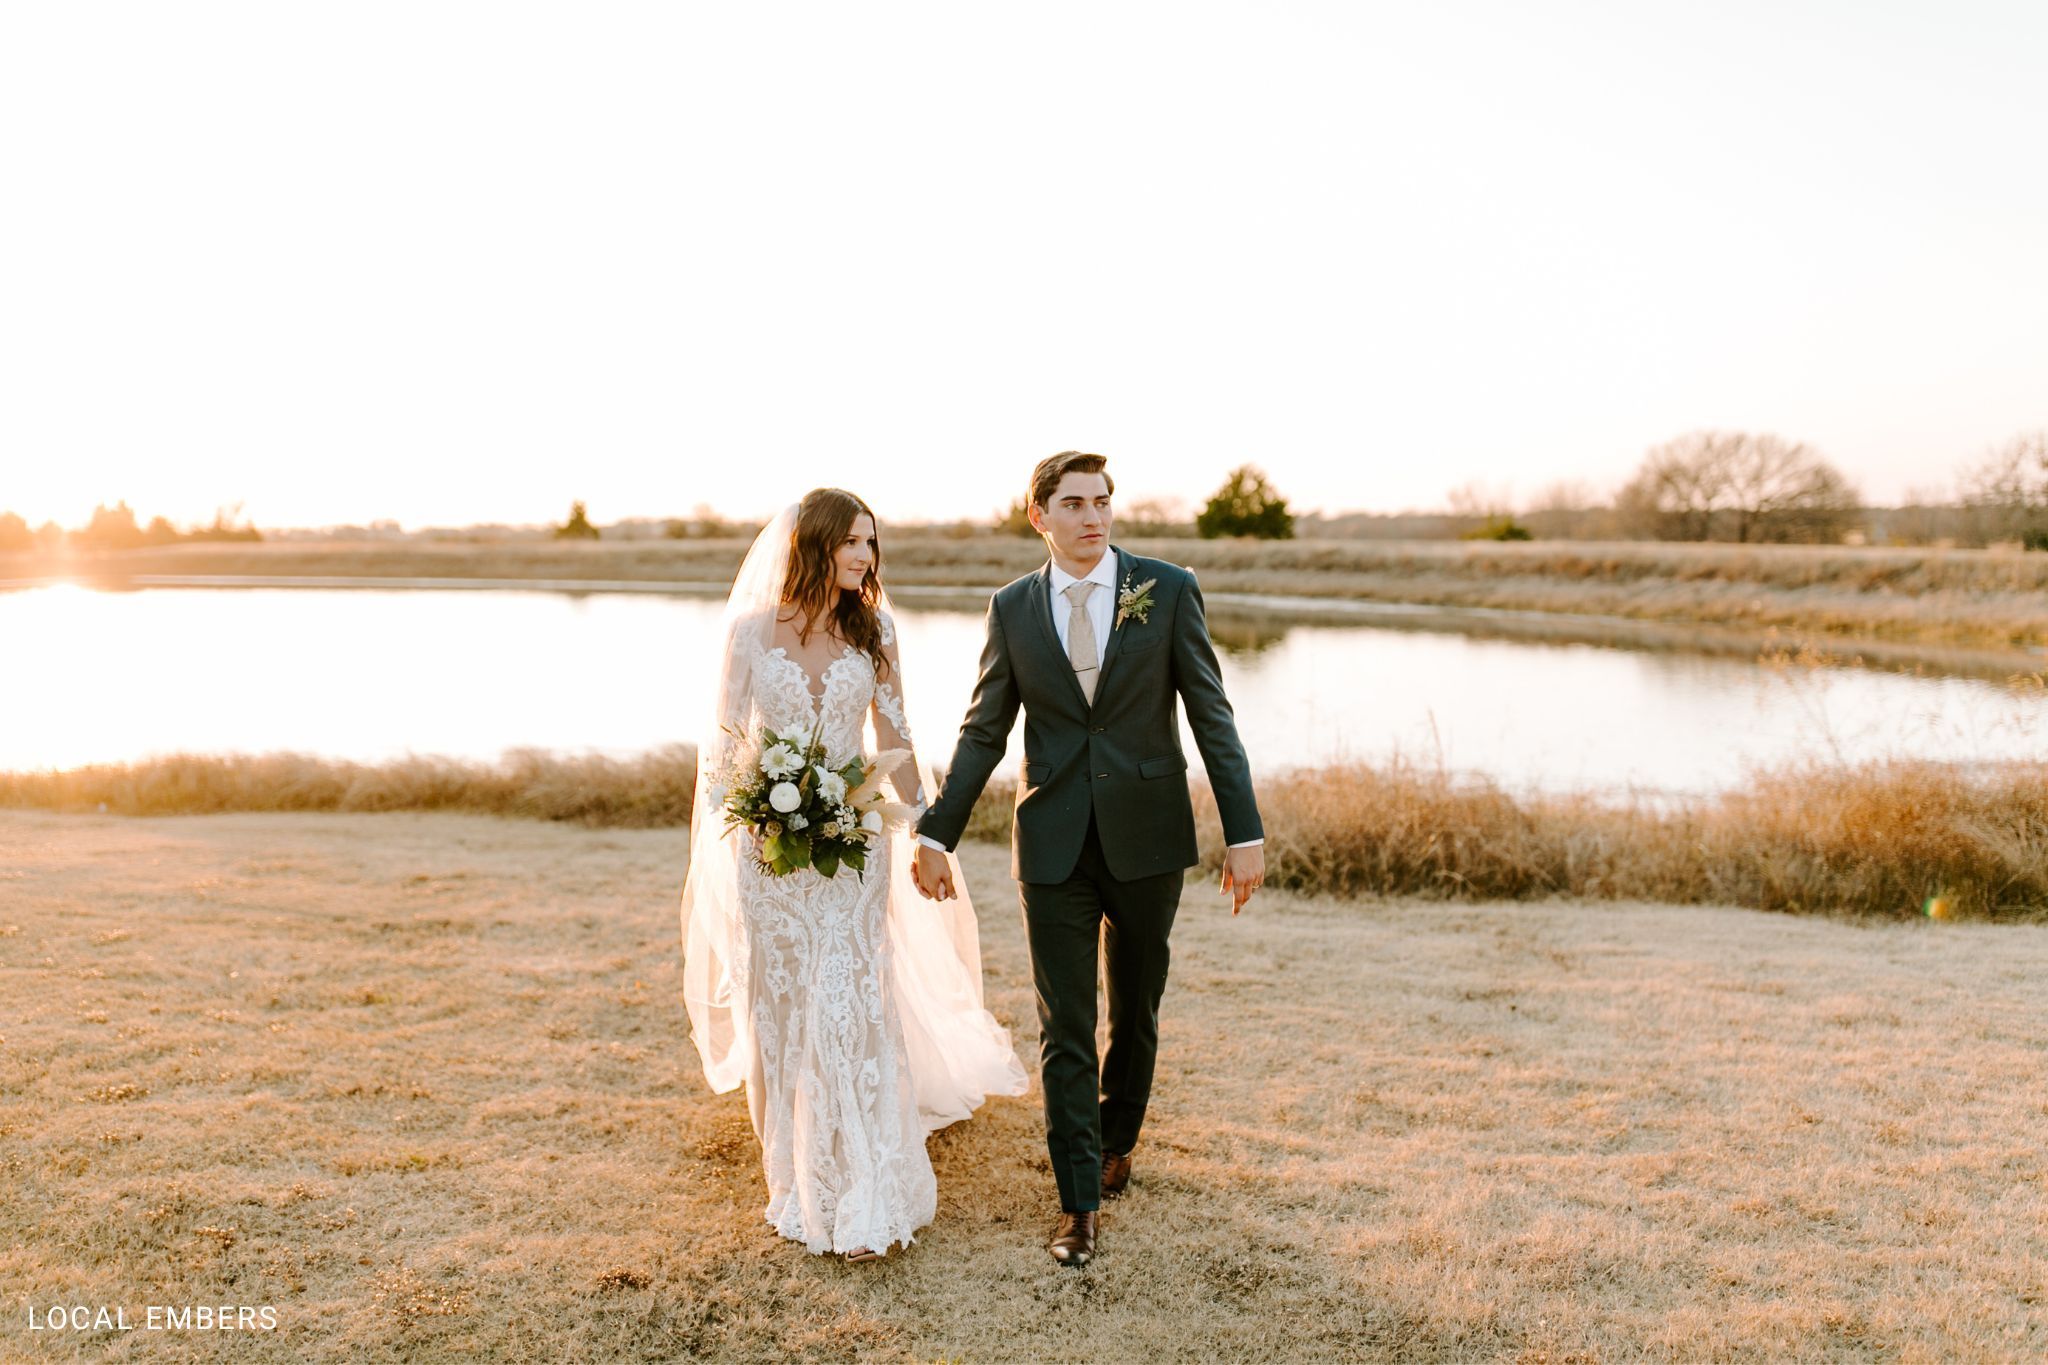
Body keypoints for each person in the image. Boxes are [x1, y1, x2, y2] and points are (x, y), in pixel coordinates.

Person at [913, 450, 1265, 1269]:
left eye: (1103, 502)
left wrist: (1243, 832)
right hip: (1053, 843)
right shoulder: (1012, 609)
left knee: (1134, 1008)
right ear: (1039, 515)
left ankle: (1118, 1138)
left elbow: (1213, 717)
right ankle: (1078, 1204)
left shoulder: (1167, 589)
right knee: (1064, 1025)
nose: (1093, 517)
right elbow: (983, 731)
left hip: (1148, 837)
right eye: (1073, 503)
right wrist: (937, 831)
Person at [680, 488, 1027, 1262]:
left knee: (849, 1003)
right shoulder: (746, 633)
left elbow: (895, 735)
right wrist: (743, 823)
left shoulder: (875, 629)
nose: (866, 557)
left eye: (872, 543)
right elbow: (725, 752)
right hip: (765, 856)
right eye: (852, 543)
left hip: (850, 849)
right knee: (778, 1007)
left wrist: (930, 835)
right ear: (813, 544)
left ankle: (867, 1176)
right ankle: (791, 1175)